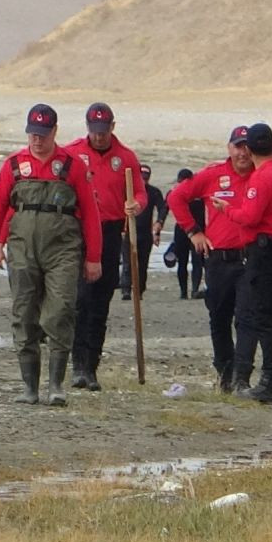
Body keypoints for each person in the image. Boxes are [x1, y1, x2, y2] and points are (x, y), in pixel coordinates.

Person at [0, 103, 102, 406]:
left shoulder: (72, 166)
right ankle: (29, 386)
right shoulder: (13, 166)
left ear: (54, 132)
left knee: (60, 312)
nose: (38, 140)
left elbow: (90, 214)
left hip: (63, 251)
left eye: (43, 134)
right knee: (24, 314)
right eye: (33, 134)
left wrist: (94, 257)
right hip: (22, 250)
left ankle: (56, 385)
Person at [211, 123, 272, 404]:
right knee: (265, 317)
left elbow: (250, 216)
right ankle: (259, 378)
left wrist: (227, 210)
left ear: (249, 149)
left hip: (263, 250)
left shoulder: (262, 178)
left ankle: (268, 382)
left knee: (263, 319)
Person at [166, 126, 254, 392]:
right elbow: (176, 198)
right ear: (229, 148)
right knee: (219, 317)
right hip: (218, 259)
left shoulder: (261, 176)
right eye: (238, 146)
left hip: (251, 259)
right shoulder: (213, 175)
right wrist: (194, 233)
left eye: (247, 146)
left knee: (247, 319)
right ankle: (225, 372)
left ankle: (242, 375)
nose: (243, 152)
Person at [66, 102, 146, 391]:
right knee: (80, 298)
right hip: (79, 230)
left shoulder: (125, 157)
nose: (98, 136)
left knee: (100, 300)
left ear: (112, 127)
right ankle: (77, 364)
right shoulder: (73, 153)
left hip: (111, 230)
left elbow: (139, 191)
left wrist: (136, 204)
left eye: (103, 131)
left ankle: (91, 366)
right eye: (94, 130)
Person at [120, 163, 166, 300]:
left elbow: (162, 208)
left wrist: (159, 222)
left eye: (146, 177)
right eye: (142, 177)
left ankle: (139, 290)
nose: (144, 180)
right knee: (128, 262)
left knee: (143, 263)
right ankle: (126, 289)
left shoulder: (153, 192)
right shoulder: (128, 190)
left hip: (145, 233)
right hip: (128, 230)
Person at [168, 168, 206, 300]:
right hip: (193, 230)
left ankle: (186, 292)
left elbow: (165, 207)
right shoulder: (200, 193)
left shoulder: (178, 192)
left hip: (186, 230)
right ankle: (189, 290)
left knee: (187, 262)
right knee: (192, 261)